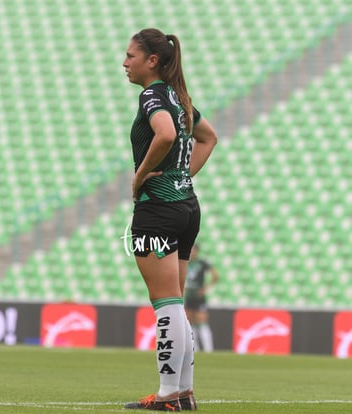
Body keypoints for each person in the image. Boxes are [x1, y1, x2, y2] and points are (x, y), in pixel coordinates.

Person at [122, 28, 217, 412]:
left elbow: (162, 134)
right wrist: (182, 176)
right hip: (186, 208)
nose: (124, 63)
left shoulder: (153, 95)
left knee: (165, 304)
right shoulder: (180, 98)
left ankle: (166, 397)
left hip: (158, 209)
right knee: (175, 302)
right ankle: (183, 393)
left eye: (130, 56)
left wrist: (141, 174)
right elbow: (208, 138)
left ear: (152, 61)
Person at [185, 244, 219, 352]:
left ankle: (208, 349)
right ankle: (196, 348)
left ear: (197, 251)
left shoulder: (202, 263)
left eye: (193, 250)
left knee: (202, 321)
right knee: (190, 322)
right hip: (189, 295)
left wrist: (205, 288)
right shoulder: (185, 263)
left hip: (199, 296)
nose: (191, 253)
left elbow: (215, 276)